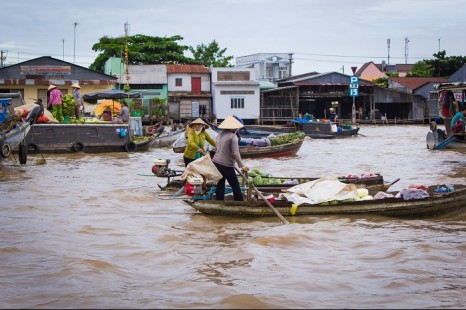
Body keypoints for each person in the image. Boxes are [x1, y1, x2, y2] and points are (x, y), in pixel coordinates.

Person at [212, 115, 249, 201]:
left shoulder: (220, 134)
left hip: (216, 162)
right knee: (235, 185)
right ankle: (240, 203)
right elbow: (235, 152)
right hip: (226, 165)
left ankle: (219, 202)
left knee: (220, 184)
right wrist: (242, 165)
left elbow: (216, 147)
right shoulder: (233, 137)